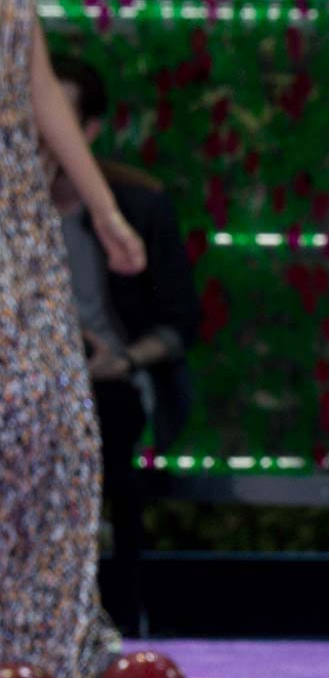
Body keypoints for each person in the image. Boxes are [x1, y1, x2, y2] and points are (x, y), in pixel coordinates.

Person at [0, 0, 144, 678]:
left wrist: (104, 208)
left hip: (18, 209)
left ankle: (42, 637)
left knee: (61, 425)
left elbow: (39, 87)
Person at [43, 51, 200, 635]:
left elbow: (179, 320)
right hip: (28, 384)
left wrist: (120, 360)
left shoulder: (135, 207)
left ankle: (116, 618)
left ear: (87, 130)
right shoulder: (16, 210)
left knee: (103, 419)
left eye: (56, 118)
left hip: (109, 384)